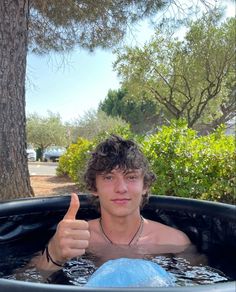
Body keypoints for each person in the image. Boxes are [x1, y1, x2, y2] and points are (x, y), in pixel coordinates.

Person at [33, 135, 190, 272]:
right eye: (108, 177)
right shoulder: (75, 239)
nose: (121, 188)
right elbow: (24, 283)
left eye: (131, 177)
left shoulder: (175, 242)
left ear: (145, 185)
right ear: (94, 187)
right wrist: (53, 253)